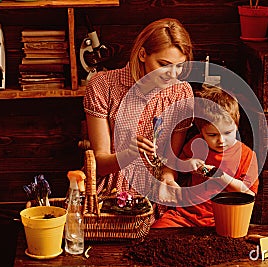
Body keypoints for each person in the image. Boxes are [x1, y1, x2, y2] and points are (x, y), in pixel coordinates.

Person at [83, 18, 194, 221]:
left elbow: (168, 165)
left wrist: (168, 178)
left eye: (179, 66)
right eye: (164, 64)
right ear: (143, 54)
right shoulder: (102, 86)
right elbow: (99, 164)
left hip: (155, 196)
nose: (172, 75)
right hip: (109, 194)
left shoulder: (182, 92)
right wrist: (129, 154)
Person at [151, 85, 259, 228]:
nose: (221, 140)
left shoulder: (247, 155)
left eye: (228, 133)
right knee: (157, 229)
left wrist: (220, 176)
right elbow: (178, 167)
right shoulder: (196, 144)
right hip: (185, 214)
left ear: (237, 125)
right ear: (201, 131)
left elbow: (249, 194)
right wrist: (188, 164)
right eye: (212, 135)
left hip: (222, 218)